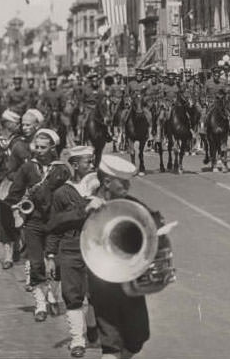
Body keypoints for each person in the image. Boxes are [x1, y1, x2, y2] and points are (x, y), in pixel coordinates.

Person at [84, 154, 169, 359]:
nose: (128, 186)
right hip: (102, 281)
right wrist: (82, 212)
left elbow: (151, 220)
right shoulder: (86, 203)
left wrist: (158, 225)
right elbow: (55, 224)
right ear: (106, 182)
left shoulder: (129, 202)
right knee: (111, 344)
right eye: (123, 182)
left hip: (130, 279)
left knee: (138, 337)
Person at [5, 128, 71, 321]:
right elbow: (13, 194)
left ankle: (53, 295)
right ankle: (40, 304)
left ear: (52, 148)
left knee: (57, 264)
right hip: (33, 222)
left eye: (44, 147)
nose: (39, 151)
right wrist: (18, 207)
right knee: (35, 264)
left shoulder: (61, 169)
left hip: (56, 223)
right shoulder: (27, 168)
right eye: (37, 147)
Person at [46, 146, 100, 357]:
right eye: (88, 161)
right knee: (72, 295)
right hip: (70, 248)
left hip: (96, 247)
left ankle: (93, 325)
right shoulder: (61, 193)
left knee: (96, 293)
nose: (92, 165)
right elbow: (53, 227)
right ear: (75, 165)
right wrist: (51, 256)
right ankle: (78, 340)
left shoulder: (100, 188)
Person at [0, 109, 30, 269]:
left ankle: (18, 247)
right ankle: (8, 254)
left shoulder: (21, 143)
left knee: (19, 217)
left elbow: (27, 164)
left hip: (18, 186)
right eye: (16, 123)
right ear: (7, 124)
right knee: (3, 219)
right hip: (1, 185)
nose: (19, 125)